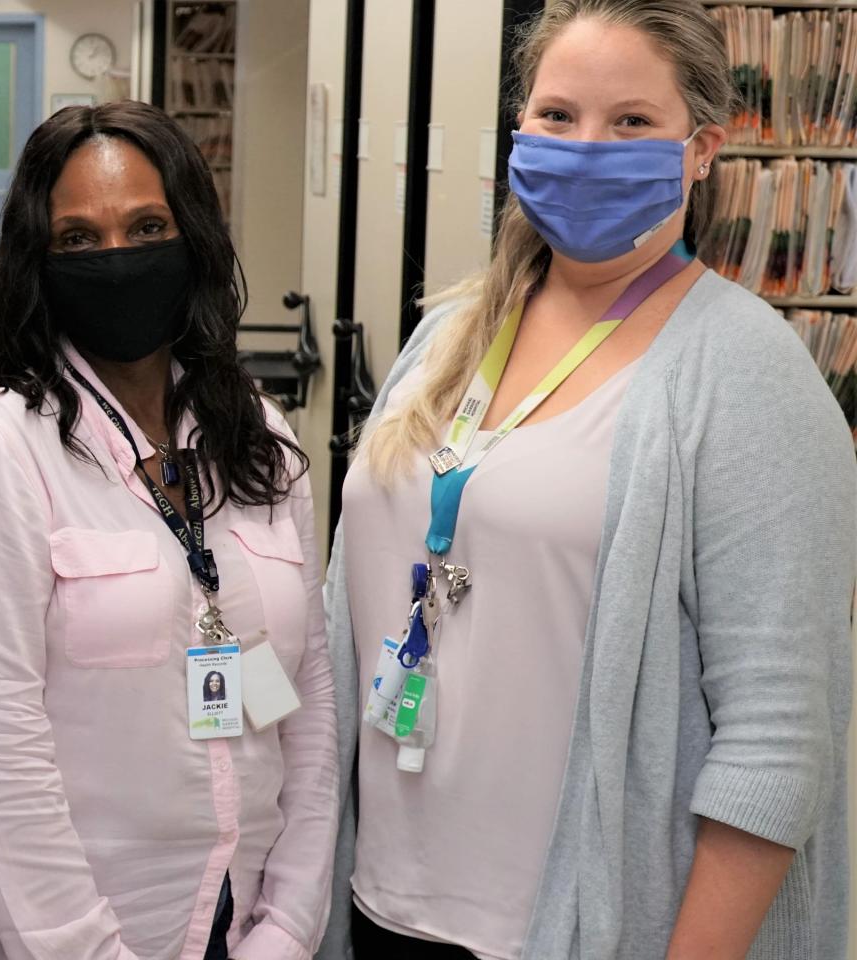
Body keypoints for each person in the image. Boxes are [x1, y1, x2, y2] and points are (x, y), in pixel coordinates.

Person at [327, 3, 856, 958]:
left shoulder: (748, 374)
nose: (585, 148)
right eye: (558, 115)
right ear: (519, 129)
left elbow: (776, 748)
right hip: (383, 903)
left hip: (578, 926)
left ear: (702, 151)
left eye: (631, 123)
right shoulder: (446, 337)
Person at [0, 100, 337, 960]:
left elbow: (306, 701)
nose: (117, 258)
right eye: (78, 239)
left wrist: (288, 922)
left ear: (194, 241)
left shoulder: (258, 436)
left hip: (235, 920)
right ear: (38, 261)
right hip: (46, 939)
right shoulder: (3, 447)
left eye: (147, 226)